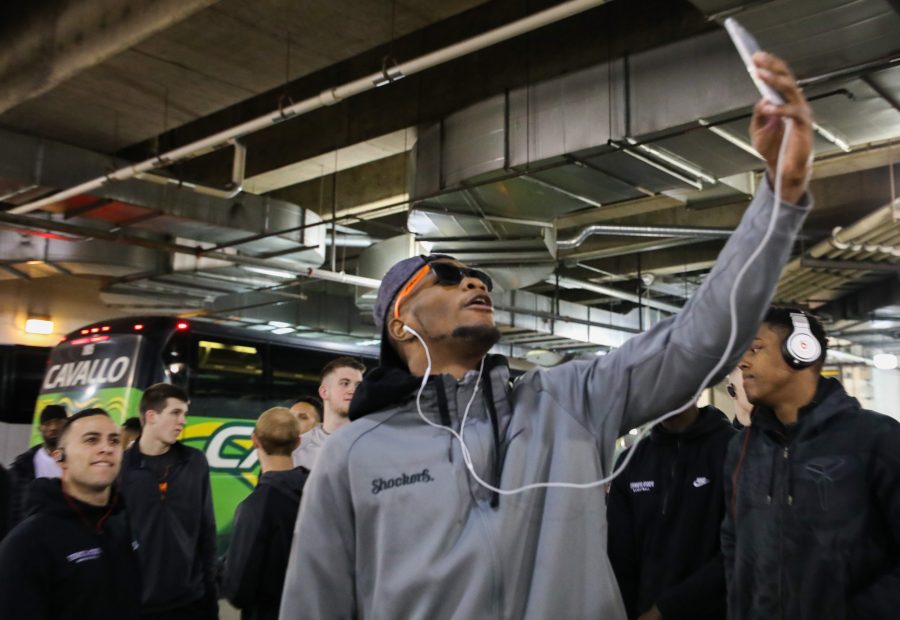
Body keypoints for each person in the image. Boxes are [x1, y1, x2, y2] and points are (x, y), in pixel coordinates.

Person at [279, 53, 815, 619]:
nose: (470, 281)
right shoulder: (352, 456)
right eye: (443, 275)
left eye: (477, 276)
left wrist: (779, 200)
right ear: (399, 322)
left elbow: (702, 337)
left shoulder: (568, 401)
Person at [722, 308, 900, 619]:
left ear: (802, 350)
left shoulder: (876, 438)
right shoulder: (743, 448)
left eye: (755, 348)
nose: (743, 362)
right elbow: (733, 543)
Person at [0, 408, 141, 619]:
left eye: (114, 441)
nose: (106, 448)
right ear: (60, 458)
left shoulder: (123, 523)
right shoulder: (26, 543)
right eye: (91, 440)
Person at [607, 402, 735, 619]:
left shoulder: (733, 449)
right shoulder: (631, 462)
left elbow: (738, 550)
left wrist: (666, 609)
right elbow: (619, 558)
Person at [119, 383, 218, 619]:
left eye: (184, 414)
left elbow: (207, 532)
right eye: (175, 413)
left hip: (190, 601)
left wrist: (210, 598)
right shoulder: (121, 468)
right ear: (151, 416)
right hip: (138, 604)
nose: (183, 421)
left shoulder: (195, 462)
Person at [222, 407, 309, 620]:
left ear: (255, 441)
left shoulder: (255, 506)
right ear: (297, 443)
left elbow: (238, 590)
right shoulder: (321, 492)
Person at [291, 357, 365, 470]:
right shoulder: (297, 448)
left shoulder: (372, 445)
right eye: (345, 383)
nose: (353, 390)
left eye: (358, 385)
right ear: (324, 392)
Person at [9, 404, 68, 525]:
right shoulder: (23, 465)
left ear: (67, 425)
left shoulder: (80, 460)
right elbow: (15, 509)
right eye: (47, 423)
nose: (53, 427)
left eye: (58, 422)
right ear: (40, 429)